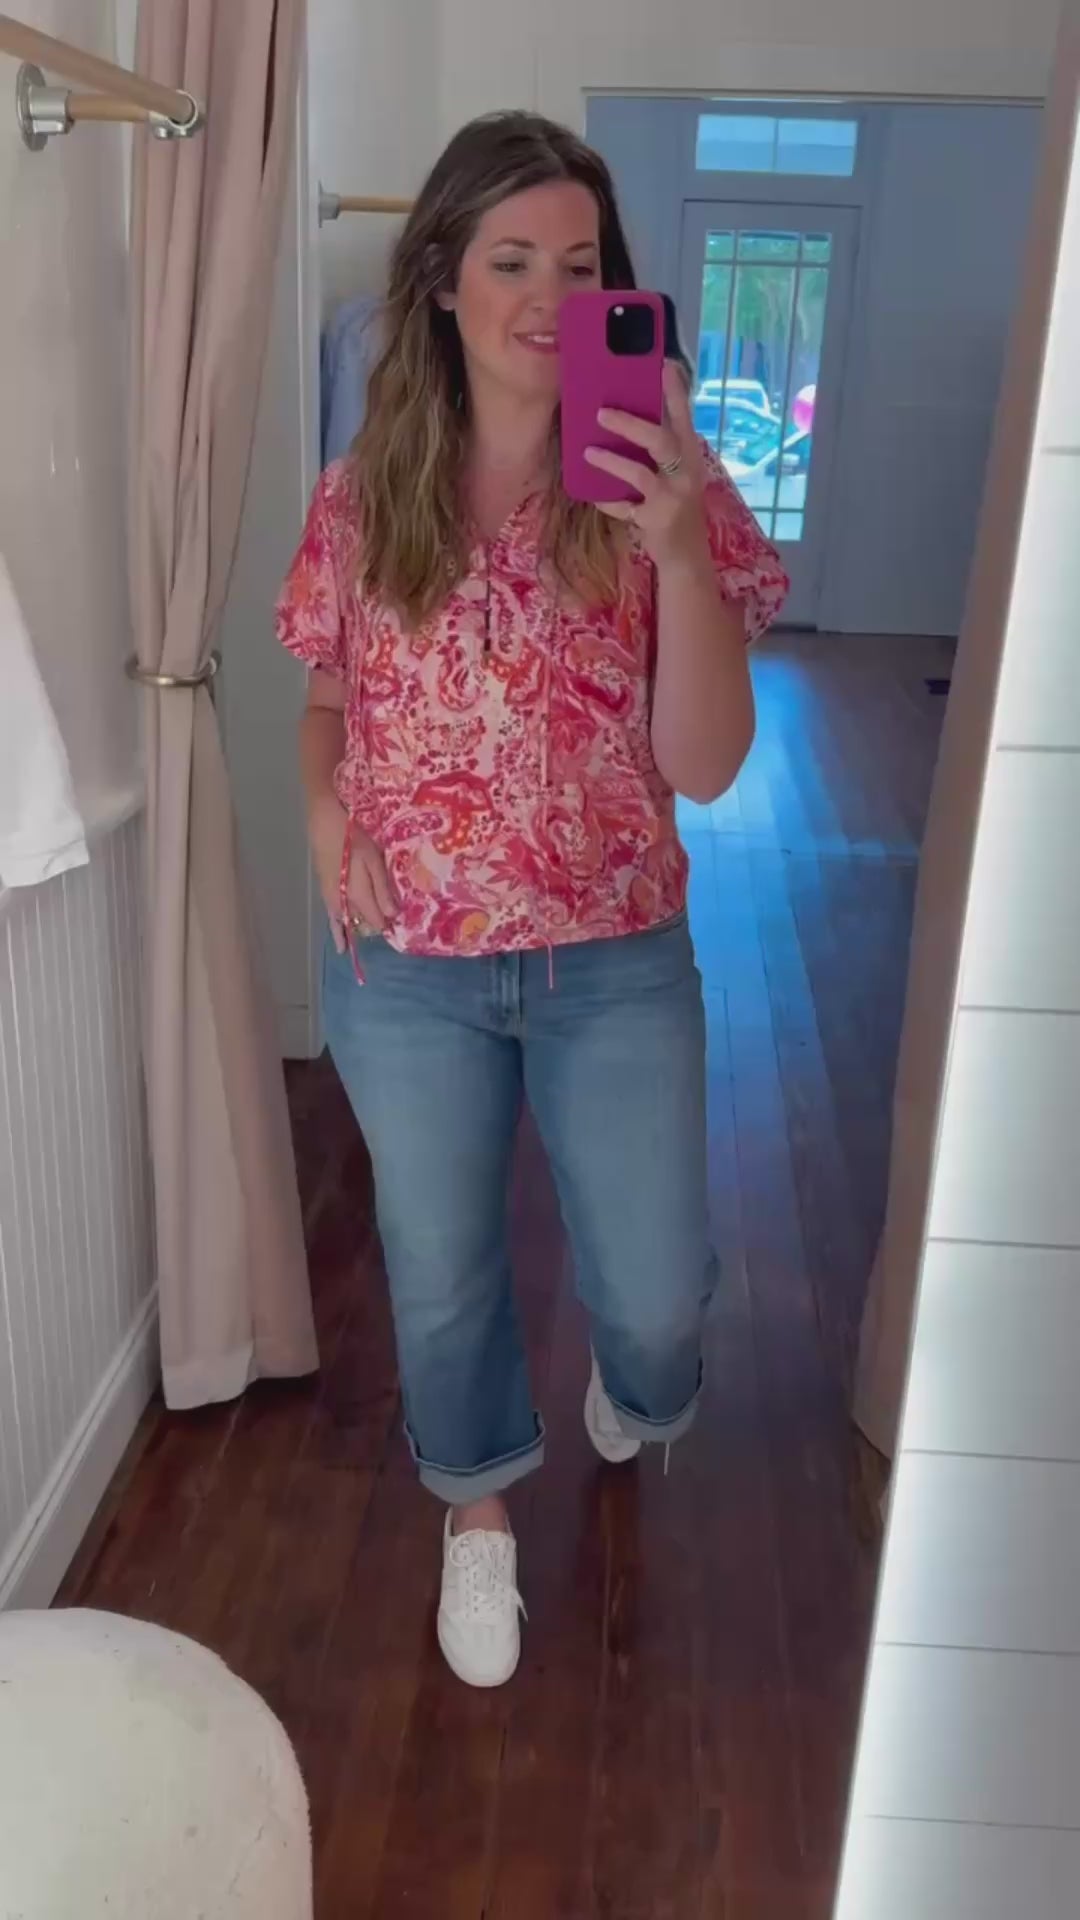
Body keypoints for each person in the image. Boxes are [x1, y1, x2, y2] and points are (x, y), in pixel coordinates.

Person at [276, 111, 788, 1688]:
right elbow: (325, 700)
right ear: (440, 279)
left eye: (580, 266)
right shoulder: (361, 497)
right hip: (409, 962)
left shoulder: (671, 489)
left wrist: (679, 553)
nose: (550, 298)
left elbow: (708, 766)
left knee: (656, 1306)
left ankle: (629, 1390)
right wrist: (324, 811)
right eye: (512, 262)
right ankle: (478, 1510)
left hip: (614, 956)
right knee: (440, 1272)